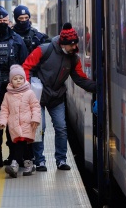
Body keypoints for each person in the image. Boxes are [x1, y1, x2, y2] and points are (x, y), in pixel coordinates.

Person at [22, 23, 96, 171]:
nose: (74, 48)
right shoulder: (44, 50)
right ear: (63, 44)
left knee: (61, 128)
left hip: (57, 96)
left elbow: (79, 78)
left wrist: (98, 87)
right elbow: (26, 67)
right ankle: (40, 161)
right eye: (71, 45)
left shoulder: (73, 58)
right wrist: (28, 87)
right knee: (39, 127)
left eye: (75, 44)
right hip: (38, 96)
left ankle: (61, 160)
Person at [0, 6, 28, 168]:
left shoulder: (17, 40)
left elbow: (24, 64)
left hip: (13, 89)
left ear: (9, 21)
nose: (2, 23)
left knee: (13, 123)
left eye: (4, 21)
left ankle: (14, 157)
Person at [0, 65, 41, 177]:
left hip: (28, 124)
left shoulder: (29, 93)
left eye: (21, 78)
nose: (18, 81)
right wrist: (2, 122)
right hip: (14, 125)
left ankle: (15, 164)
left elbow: (36, 107)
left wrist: (35, 118)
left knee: (21, 143)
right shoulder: (7, 95)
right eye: (15, 79)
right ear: (11, 80)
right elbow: (4, 110)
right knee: (23, 145)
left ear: (24, 79)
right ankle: (29, 164)